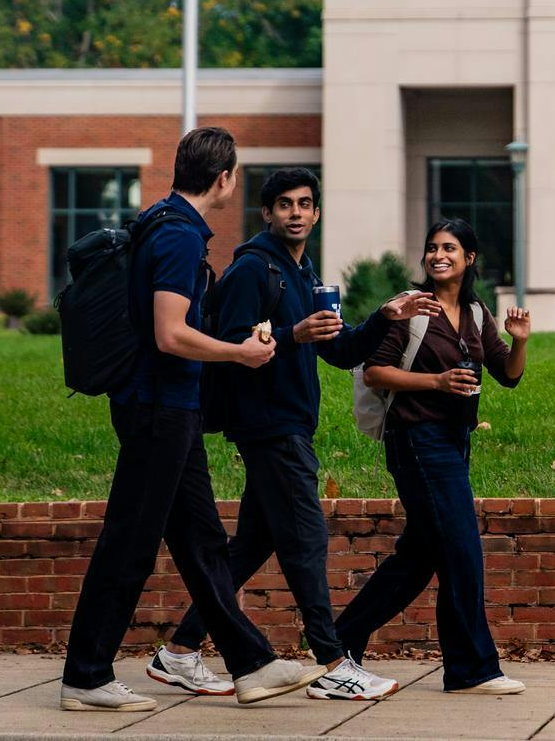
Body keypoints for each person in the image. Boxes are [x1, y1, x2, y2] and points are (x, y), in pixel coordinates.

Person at [60, 127, 330, 712]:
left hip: (170, 408)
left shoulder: (162, 220)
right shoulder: (180, 235)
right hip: (157, 408)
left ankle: (252, 665)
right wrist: (240, 352)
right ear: (224, 178)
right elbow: (170, 332)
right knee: (130, 542)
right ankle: (85, 675)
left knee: (204, 541)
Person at [150, 167, 434, 702]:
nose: (296, 213)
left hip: (291, 422)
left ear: (317, 213)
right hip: (267, 426)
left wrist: (385, 318)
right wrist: (290, 333)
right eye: (285, 204)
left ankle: (180, 651)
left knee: (253, 544)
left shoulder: (304, 276)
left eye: (305, 204)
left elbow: (339, 350)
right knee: (306, 539)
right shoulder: (254, 271)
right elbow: (227, 348)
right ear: (267, 213)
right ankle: (332, 661)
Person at [334, 218, 532, 693]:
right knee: (462, 550)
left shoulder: (476, 313)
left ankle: (339, 640)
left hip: (454, 440)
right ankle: (471, 669)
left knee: (420, 556)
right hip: (417, 440)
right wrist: (437, 382)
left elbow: (507, 373)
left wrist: (520, 339)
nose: (438, 255)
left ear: (469, 259)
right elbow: (377, 373)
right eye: (431, 248)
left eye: (449, 247)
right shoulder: (411, 309)